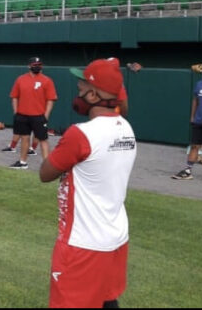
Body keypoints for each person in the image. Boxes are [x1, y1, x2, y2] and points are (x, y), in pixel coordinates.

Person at [40, 58, 136, 308]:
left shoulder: (81, 133)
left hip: (83, 243)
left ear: (93, 95)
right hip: (115, 237)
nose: (78, 92)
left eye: (81, 87)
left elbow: (45, 173)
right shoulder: (126, 127)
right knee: (106, 300)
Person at [172, 60, 202, 182]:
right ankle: (187, 171)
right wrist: (192, 116)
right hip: (199, 121)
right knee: (194, 146)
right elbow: (195, 100)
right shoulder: (199, 84)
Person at [9, 56, 57, 169]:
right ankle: (23, 162)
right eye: (35, 65)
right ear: (29, 66)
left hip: (39, 116)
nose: (37, 67)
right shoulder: (21, 79)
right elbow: (14, 96)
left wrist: (46, 115)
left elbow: (51, 99)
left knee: (43, 140)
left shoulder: (47, 80)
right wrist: (16, 112)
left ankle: (47, 166)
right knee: (24, 138)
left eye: (39, 65)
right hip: (22, 115)